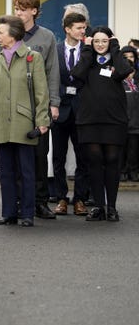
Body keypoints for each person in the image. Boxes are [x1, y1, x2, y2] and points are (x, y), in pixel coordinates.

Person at [0, 15, 50, 227]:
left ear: (13, 35)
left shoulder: (33, 58)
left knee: (27, 171)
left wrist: (42, 120)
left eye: (1, 32)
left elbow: (42, 92)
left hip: (24, 121)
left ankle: (28, 213)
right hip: (2, 121)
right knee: (7, 171)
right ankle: (9, 213)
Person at [70, 27, 133, 221]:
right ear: (91, 42)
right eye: (96, 41)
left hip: (114, 120)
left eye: (104, 41)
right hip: (89, 120)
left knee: (113, 161)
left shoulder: (117, 59)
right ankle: (98, 206)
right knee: (94, 162)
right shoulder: (87, 58)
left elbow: (125, 70)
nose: (100, 44)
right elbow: (77, 74)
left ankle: (111, 207)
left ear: (110, 41)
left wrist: (115, 48)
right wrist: (87, 50)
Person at [13, 0, 60, 220]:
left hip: (40, 105)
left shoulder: (47, 37)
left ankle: (41, 202)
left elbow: (53, 72)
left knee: (41, 156)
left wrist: (54, 103)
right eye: (17, 9)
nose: (19, 12)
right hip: (15, 106)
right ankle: (20, 202)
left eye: (23, 8)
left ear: (34, 11)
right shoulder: (9, 35)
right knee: (17, 156)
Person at [52, 12, 90, 216]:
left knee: (83, 157)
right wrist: (53, 103)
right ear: (67, 29)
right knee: (58, 157)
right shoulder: (55, 50)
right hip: (60, 109)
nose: (83, 31)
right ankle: (61, 198)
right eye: (79, 28)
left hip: (83, 110)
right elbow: (52, 80)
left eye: (84, 28)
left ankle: (80, 199)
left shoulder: (88, 50)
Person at [121, 45, 139, 181]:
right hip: (122, 122)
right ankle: (122, 171)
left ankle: (133, 170)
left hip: (135, 123)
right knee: (121, 148)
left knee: (133, 149)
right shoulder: (118, 83)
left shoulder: (137, 82)